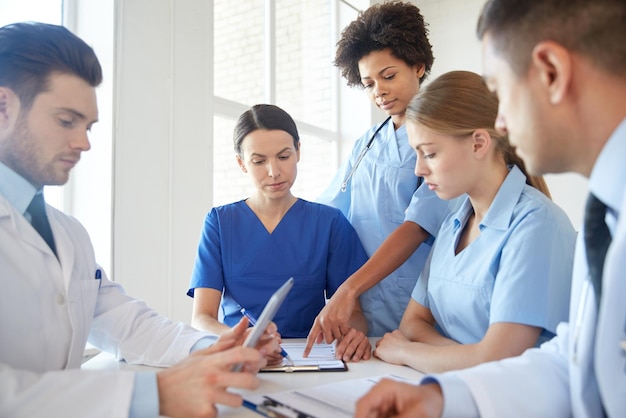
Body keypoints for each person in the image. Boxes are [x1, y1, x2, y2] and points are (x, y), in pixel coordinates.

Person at [355, 0, 626, 416]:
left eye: (499, 91)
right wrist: (439, 396)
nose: (500, 124)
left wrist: (432, 358)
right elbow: (574, 361)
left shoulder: (545, 222)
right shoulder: (606, 213)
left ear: (551, 71)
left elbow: (508, 356)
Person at [0, 22, 280, 418]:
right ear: (4, 107)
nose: (84, 143)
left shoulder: (67, 233)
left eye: (88, 126)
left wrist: (216, 349)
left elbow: (127, 325)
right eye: (67, 121)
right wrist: (148, 394)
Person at [373, 70, 575, 374]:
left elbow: (500, 363)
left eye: (429, 153)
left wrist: (406, 352)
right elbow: (412, 323)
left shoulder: (537, 225)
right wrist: (471, 356)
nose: (418, 169)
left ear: (479, 143)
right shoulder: (453, 223)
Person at [306, 1, 451, 356]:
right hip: (363, 311)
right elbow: (329, 213)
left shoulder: (441, 137)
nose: (378, 92)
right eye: (368, 83)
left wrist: (348, 290)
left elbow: (417, 226)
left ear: (418, 66)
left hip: (417, 305)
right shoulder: (367, 143)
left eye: (388, 76)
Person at [187, 104, 371, 361]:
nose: (274, 171)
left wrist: (352, 335)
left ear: (298, 151)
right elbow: (202, 318)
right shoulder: (220, 222)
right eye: (259, 161)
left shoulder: (329, 223)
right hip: (239, 356)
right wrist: (240, 341)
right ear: (241, 163)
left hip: (311, 357)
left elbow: (355, 314)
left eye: (283, 157)